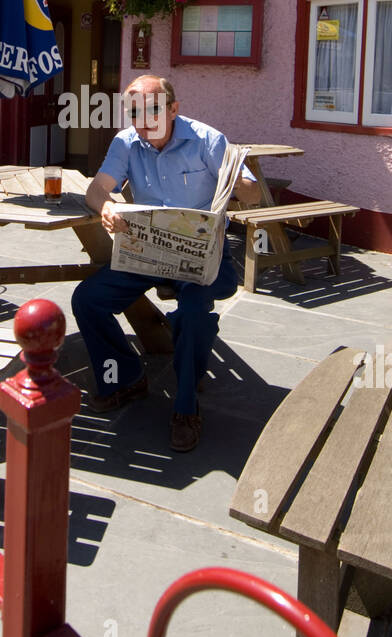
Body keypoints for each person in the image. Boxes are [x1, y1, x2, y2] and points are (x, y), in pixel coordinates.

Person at [72, 75, 261, 452]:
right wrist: (107, 207)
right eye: (136, 110)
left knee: (193, 314)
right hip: (147, 252)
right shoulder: (126, 142)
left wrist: (243, 184)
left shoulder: (208, 140)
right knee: (88, 299)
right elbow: (96, 189)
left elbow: (253, 195)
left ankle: (186, 408)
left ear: (174, 109)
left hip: (199, 255)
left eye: (154, 108)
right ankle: (125, 378)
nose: (144, 118)